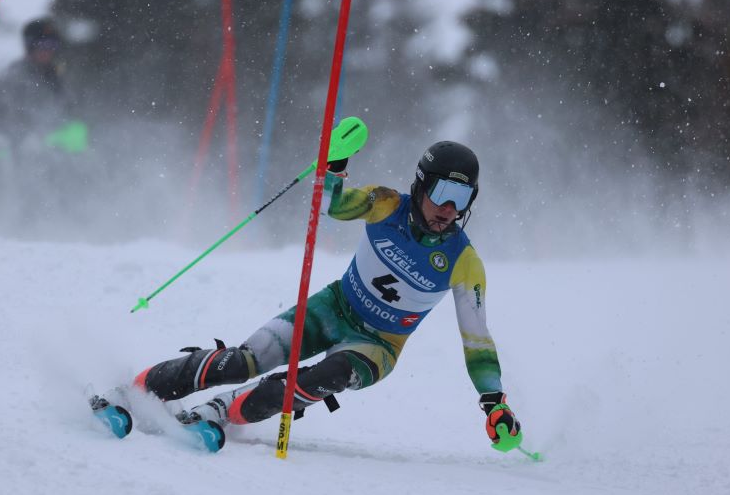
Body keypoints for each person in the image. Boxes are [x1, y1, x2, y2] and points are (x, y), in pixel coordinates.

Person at [94, 141, 523, 453]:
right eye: (443, 193)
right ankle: (132, 391)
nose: (449, 208)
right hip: (333, 307)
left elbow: (477, 341)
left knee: (324, 375)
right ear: (422, 185)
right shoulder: (386, 203)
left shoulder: (464, 261)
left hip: (377, 346)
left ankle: (220, 412)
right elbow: (333, 206)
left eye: (462, 198)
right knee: (246, 360)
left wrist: (493, 402)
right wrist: (334, 167)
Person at [0, 17, 72, 155]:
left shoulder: (57, 75)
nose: (48, 51)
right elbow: (3, 117)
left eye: (52, 45)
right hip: (21, 154)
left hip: (58, 154)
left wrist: (71, 130)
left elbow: (68, 109)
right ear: (30, 46)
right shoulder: (15, 77)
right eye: (42, 45)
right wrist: (25, 137)